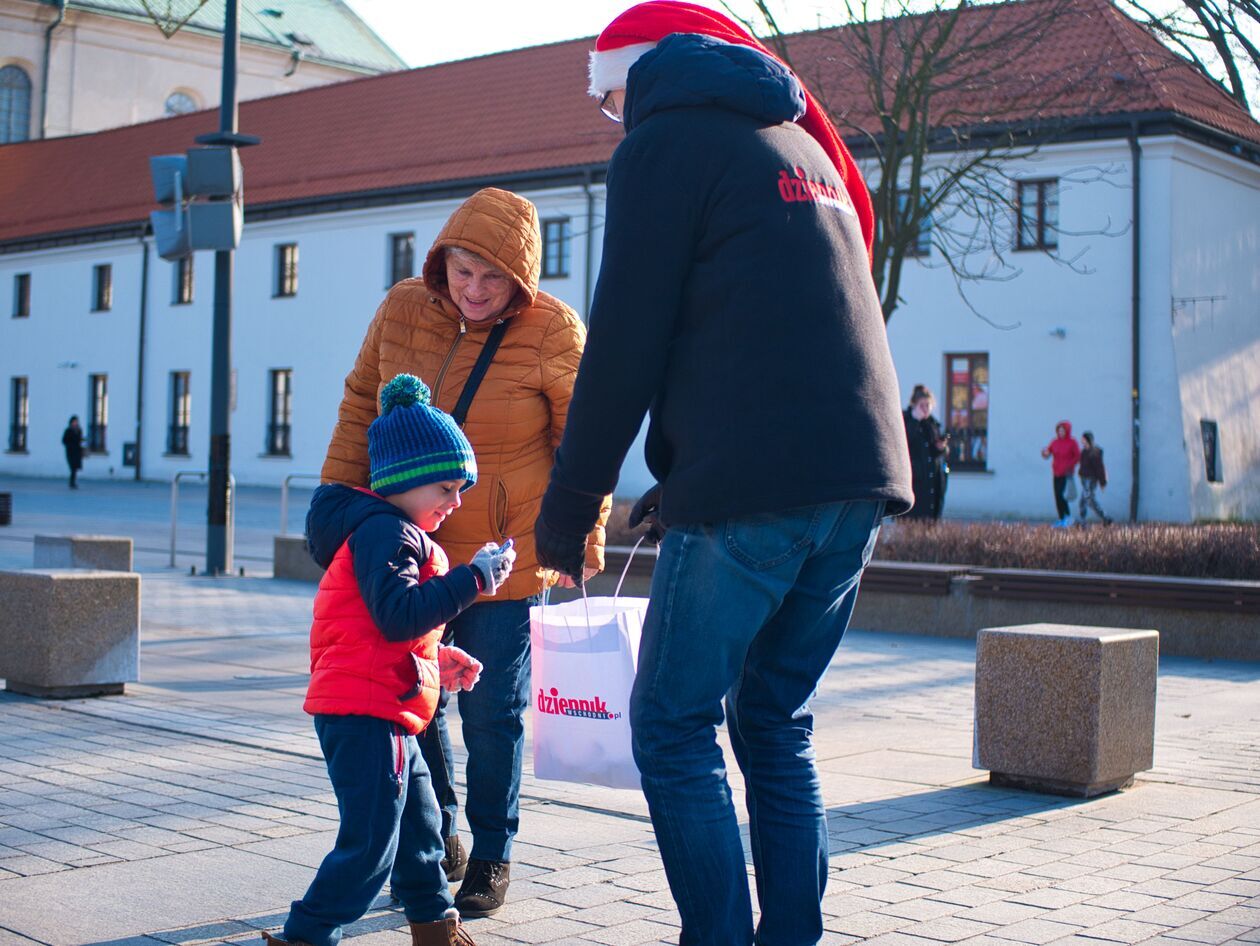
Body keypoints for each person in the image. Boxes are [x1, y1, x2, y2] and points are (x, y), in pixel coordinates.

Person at [531, 5, 912, 944]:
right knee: (776, 722)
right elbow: (771, 324)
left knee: (671, 724)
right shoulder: (803, 147)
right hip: (861, 481)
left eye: (608, 98)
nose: (612, 119)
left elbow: (626, 342)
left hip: (755, 492)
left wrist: (572, 506)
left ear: (637, 77)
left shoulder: (665, 145)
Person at [320, 187, 609, 918]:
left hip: (501, 560)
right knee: (414, 701)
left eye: (493, 278)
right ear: (440, 262)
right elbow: (360, 405)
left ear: (521, 280)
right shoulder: (402, 309)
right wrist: (335, 502)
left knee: (491, 714)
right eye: (462, 271)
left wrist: (582, 535)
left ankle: (491, 852)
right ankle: (437, 831)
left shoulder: (552, 330)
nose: (474, 291)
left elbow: (585, 443)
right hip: (407, 550)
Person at [265, 374, 516, 946]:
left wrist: (436, 658)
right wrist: (473, 579)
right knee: (374, 840)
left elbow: (385, 627)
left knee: (420, 829)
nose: (456, 502)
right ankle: (306, 934)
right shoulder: (387, 533)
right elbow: (398, 615)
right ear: (405, 479)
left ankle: (435, 925)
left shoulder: (394, 532)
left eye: (461, 489)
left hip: (385, 703)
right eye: (447, 488)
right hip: (364, 712)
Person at [902, 385, 949, 519]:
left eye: (928, 405)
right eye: (922, 405)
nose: (925, 409)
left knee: (931, 520)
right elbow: (905, 442)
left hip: (933, 482)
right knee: (913, 522)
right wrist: (915, 420)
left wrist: (941, 448)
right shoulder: (906, 421)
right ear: (914, 405)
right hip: (915, 482)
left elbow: (934, 452)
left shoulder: (932, 424)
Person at [1040, 420, 1080, 527]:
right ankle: (1062, 518)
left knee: (1063, 496)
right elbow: (1048, 452)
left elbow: (1077, 456)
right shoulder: (1055, 442)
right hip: (1056, 473)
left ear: (1067, 431)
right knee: (1057, 496)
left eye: (1063, 431)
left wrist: (1069, 466)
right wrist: (1045, 453)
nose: (1061, 432)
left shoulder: (1072, 442)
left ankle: (1068, 518)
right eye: (1059, 431)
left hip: (1066, 474)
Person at [1077, 431, 1111, 524]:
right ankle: (1104, 518)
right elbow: (1082, 465)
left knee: (1088, 500)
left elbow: (1100, 468)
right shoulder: (1084, 451)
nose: (1082, 441)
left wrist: (1102, 482)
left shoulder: (1094, 452)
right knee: (1085, 501)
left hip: (1090, 480)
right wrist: (1080, 473)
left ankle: (1104, 518)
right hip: (1084, 479)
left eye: (1083, 439)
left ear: (1088, 440)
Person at [62, 416, 84, 489]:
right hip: (70, 452)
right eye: (74, 422)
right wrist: (70, 445)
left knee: (75, 468)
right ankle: (72, 482)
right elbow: (64, 440)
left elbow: (80, 440)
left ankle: (72, 482)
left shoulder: (79, 430)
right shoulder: (68, 431)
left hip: (77, 452)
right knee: (72, 468)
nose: (75, 423)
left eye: (76, 422)